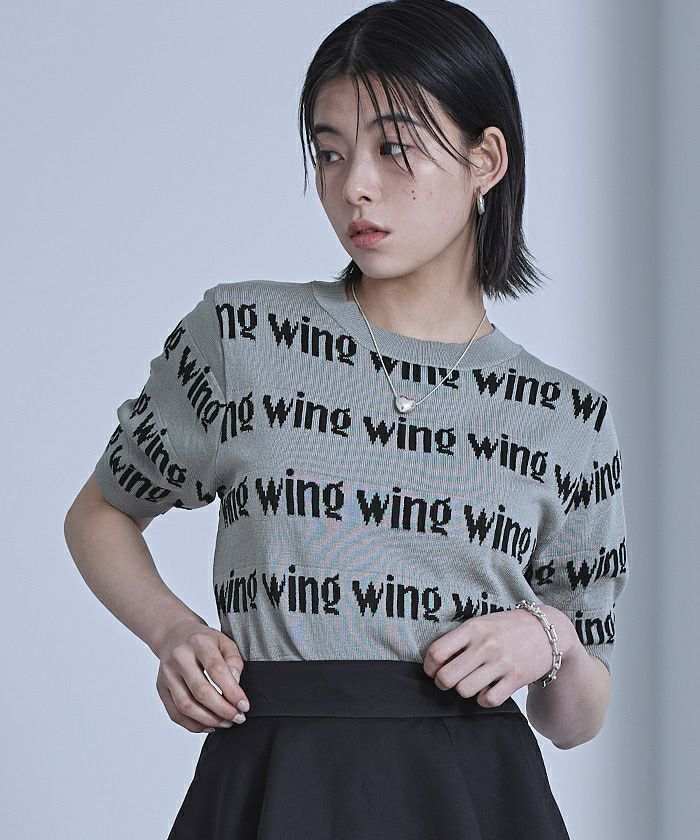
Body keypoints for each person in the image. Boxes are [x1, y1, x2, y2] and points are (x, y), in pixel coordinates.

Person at [64, 2, 629, 838]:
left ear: (485, 160)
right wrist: (172, 631)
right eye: (330, 153)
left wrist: (550, 638)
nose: (353, 185)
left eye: (393, 148)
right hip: (272, 783)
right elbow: (101, 511)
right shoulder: (243, 338)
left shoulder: (567, 418)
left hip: (474, 801)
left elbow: (575, 721)